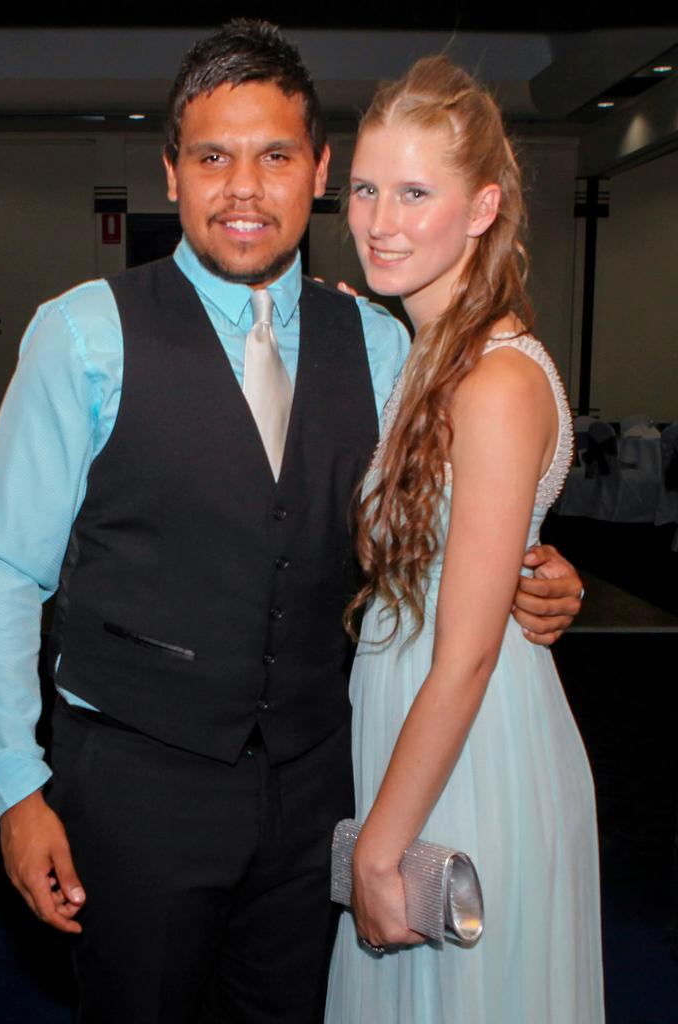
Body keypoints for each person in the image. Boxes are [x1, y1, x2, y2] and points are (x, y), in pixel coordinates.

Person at [0, 22, 584, 1024]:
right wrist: (16, 788)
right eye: (212, 156)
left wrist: (533, 569)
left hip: (318, 785)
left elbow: (429, 518)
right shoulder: (81, 334)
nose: (242, 188)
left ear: (318, 171)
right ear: (171, 172)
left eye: (275, 156)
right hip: (135, 786)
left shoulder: (381, 345)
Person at [325, 56, 605, 1023]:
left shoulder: (493, 380)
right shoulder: (423, 353)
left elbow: (472, 651)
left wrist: (375, 848)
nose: (380, 220)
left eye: (414, 192)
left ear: (483, 208)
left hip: (472, 751)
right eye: (365, 187)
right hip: (414, 733)